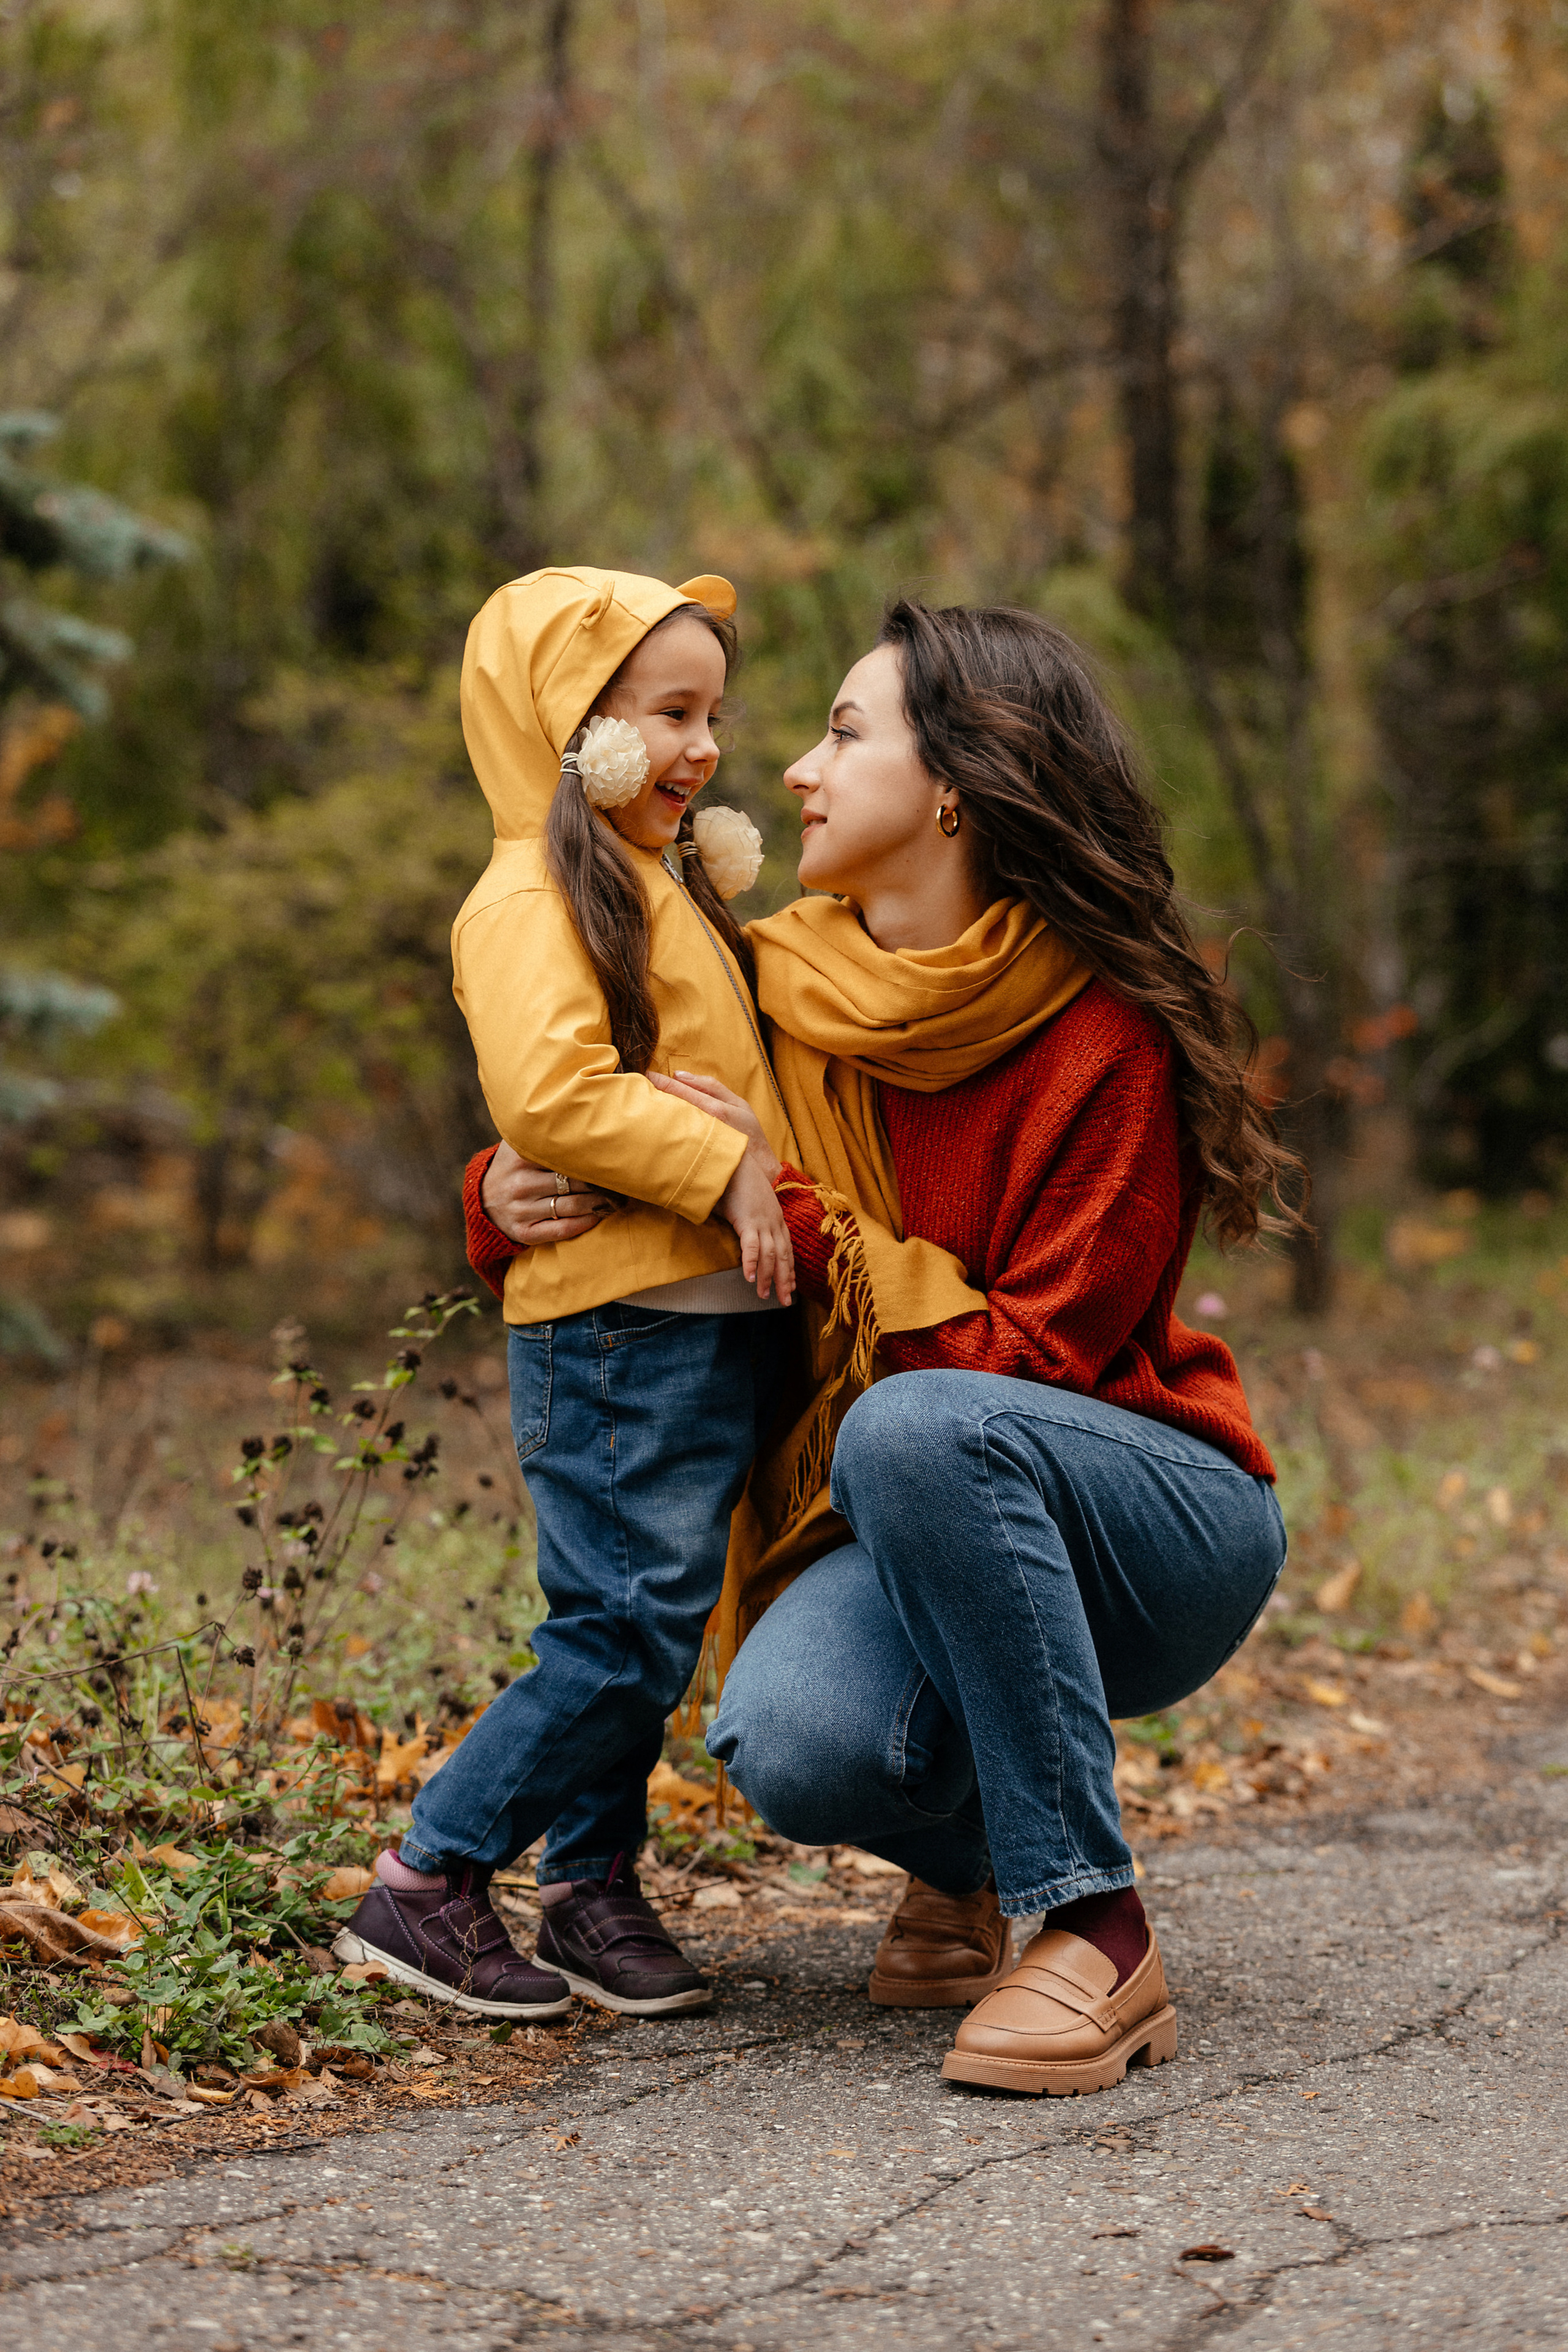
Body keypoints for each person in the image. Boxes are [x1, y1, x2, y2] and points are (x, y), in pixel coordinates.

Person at [473, 598, 1292, 2097]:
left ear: (955, 790)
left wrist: (794, 1209)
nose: (788, 767)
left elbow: (1030, 1368)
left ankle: (1091, 1927)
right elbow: (612, 1108)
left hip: (1144, 1518)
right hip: (901, 1503)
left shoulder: (1103, 1033)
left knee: (917, 1430)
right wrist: (508, 1190)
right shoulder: (773, 987)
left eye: (844, 734)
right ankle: (973, 1868)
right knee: (789, 1740)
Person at [337, 565, 798, 2022]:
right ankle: (428, 1876)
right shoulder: (528, 893)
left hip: (693, 1314)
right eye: (666, 713)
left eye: (711, 712)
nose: (702, 747)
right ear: (565, 726)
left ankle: (591, 1885)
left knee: (645, 1615)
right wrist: (720, 1170)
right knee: (621, 1626)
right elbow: (554, 1091)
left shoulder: (664, 886)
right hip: (616, 1322)